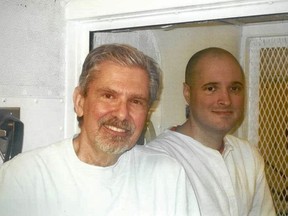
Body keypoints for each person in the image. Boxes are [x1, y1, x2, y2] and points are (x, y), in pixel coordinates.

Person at [0, 44, 200, 216]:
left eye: (136, 101)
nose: (122, 114)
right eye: (108, 96)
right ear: (80, 102)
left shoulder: (167, 176)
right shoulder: (24, 178)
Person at [147, 47, 276, 216]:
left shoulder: (248, 156)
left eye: (234, 88)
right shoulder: (159, 159)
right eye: (211, 88)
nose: (225, 100)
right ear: (187, 93)